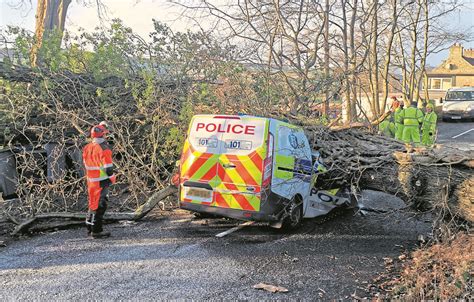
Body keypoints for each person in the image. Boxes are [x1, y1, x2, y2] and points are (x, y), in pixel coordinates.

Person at [83, 122, 116, 238]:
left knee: (93, 203)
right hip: (101, 180)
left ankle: (89, 227)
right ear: (103, 135)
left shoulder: (87, 147)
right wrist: (112, 178)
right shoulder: (104, 149)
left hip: (91, 180)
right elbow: (108, 169)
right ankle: (97, 230)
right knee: (101, 205)